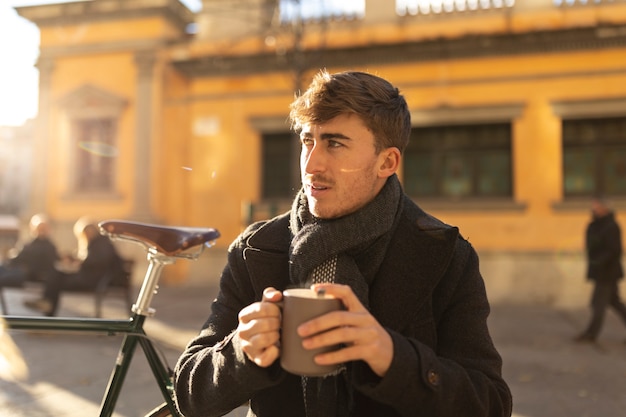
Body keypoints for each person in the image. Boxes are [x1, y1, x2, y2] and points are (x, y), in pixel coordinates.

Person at [173, 70, 512, 417]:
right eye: (308, 141)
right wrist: (240, 354)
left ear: (387, 162)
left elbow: (489, 403)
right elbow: (189, 397)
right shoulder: (257, 249)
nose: (311, 164)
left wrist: (392, 356)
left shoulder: (444, 255)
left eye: (335, 143)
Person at [23, 218, 125, 317]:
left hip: (93, 280)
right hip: (90, 277)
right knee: (56, 275)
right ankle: (46, 305)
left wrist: (79, 262)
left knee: (56, 277)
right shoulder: (98, 243)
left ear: (90, 231)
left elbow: (97, 261)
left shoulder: (102, 244)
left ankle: (47, 307)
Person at [574, 196, 626, 343]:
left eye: (596, 206)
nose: (593, 208)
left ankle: (591, 334)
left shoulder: (611, 226)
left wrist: (598, 262)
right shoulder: (596, 224)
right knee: (615, 303)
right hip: (601, 271)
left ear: (604, 208)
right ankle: (590, 333)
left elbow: (613, 250)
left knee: (598, 304)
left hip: (607, 272)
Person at [0, 214, 59, 288]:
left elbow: (17, 259)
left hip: (29, 277)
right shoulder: (38, 245)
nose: (41, 231)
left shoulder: (46, 246)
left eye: (42, 228)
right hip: (27, 275)